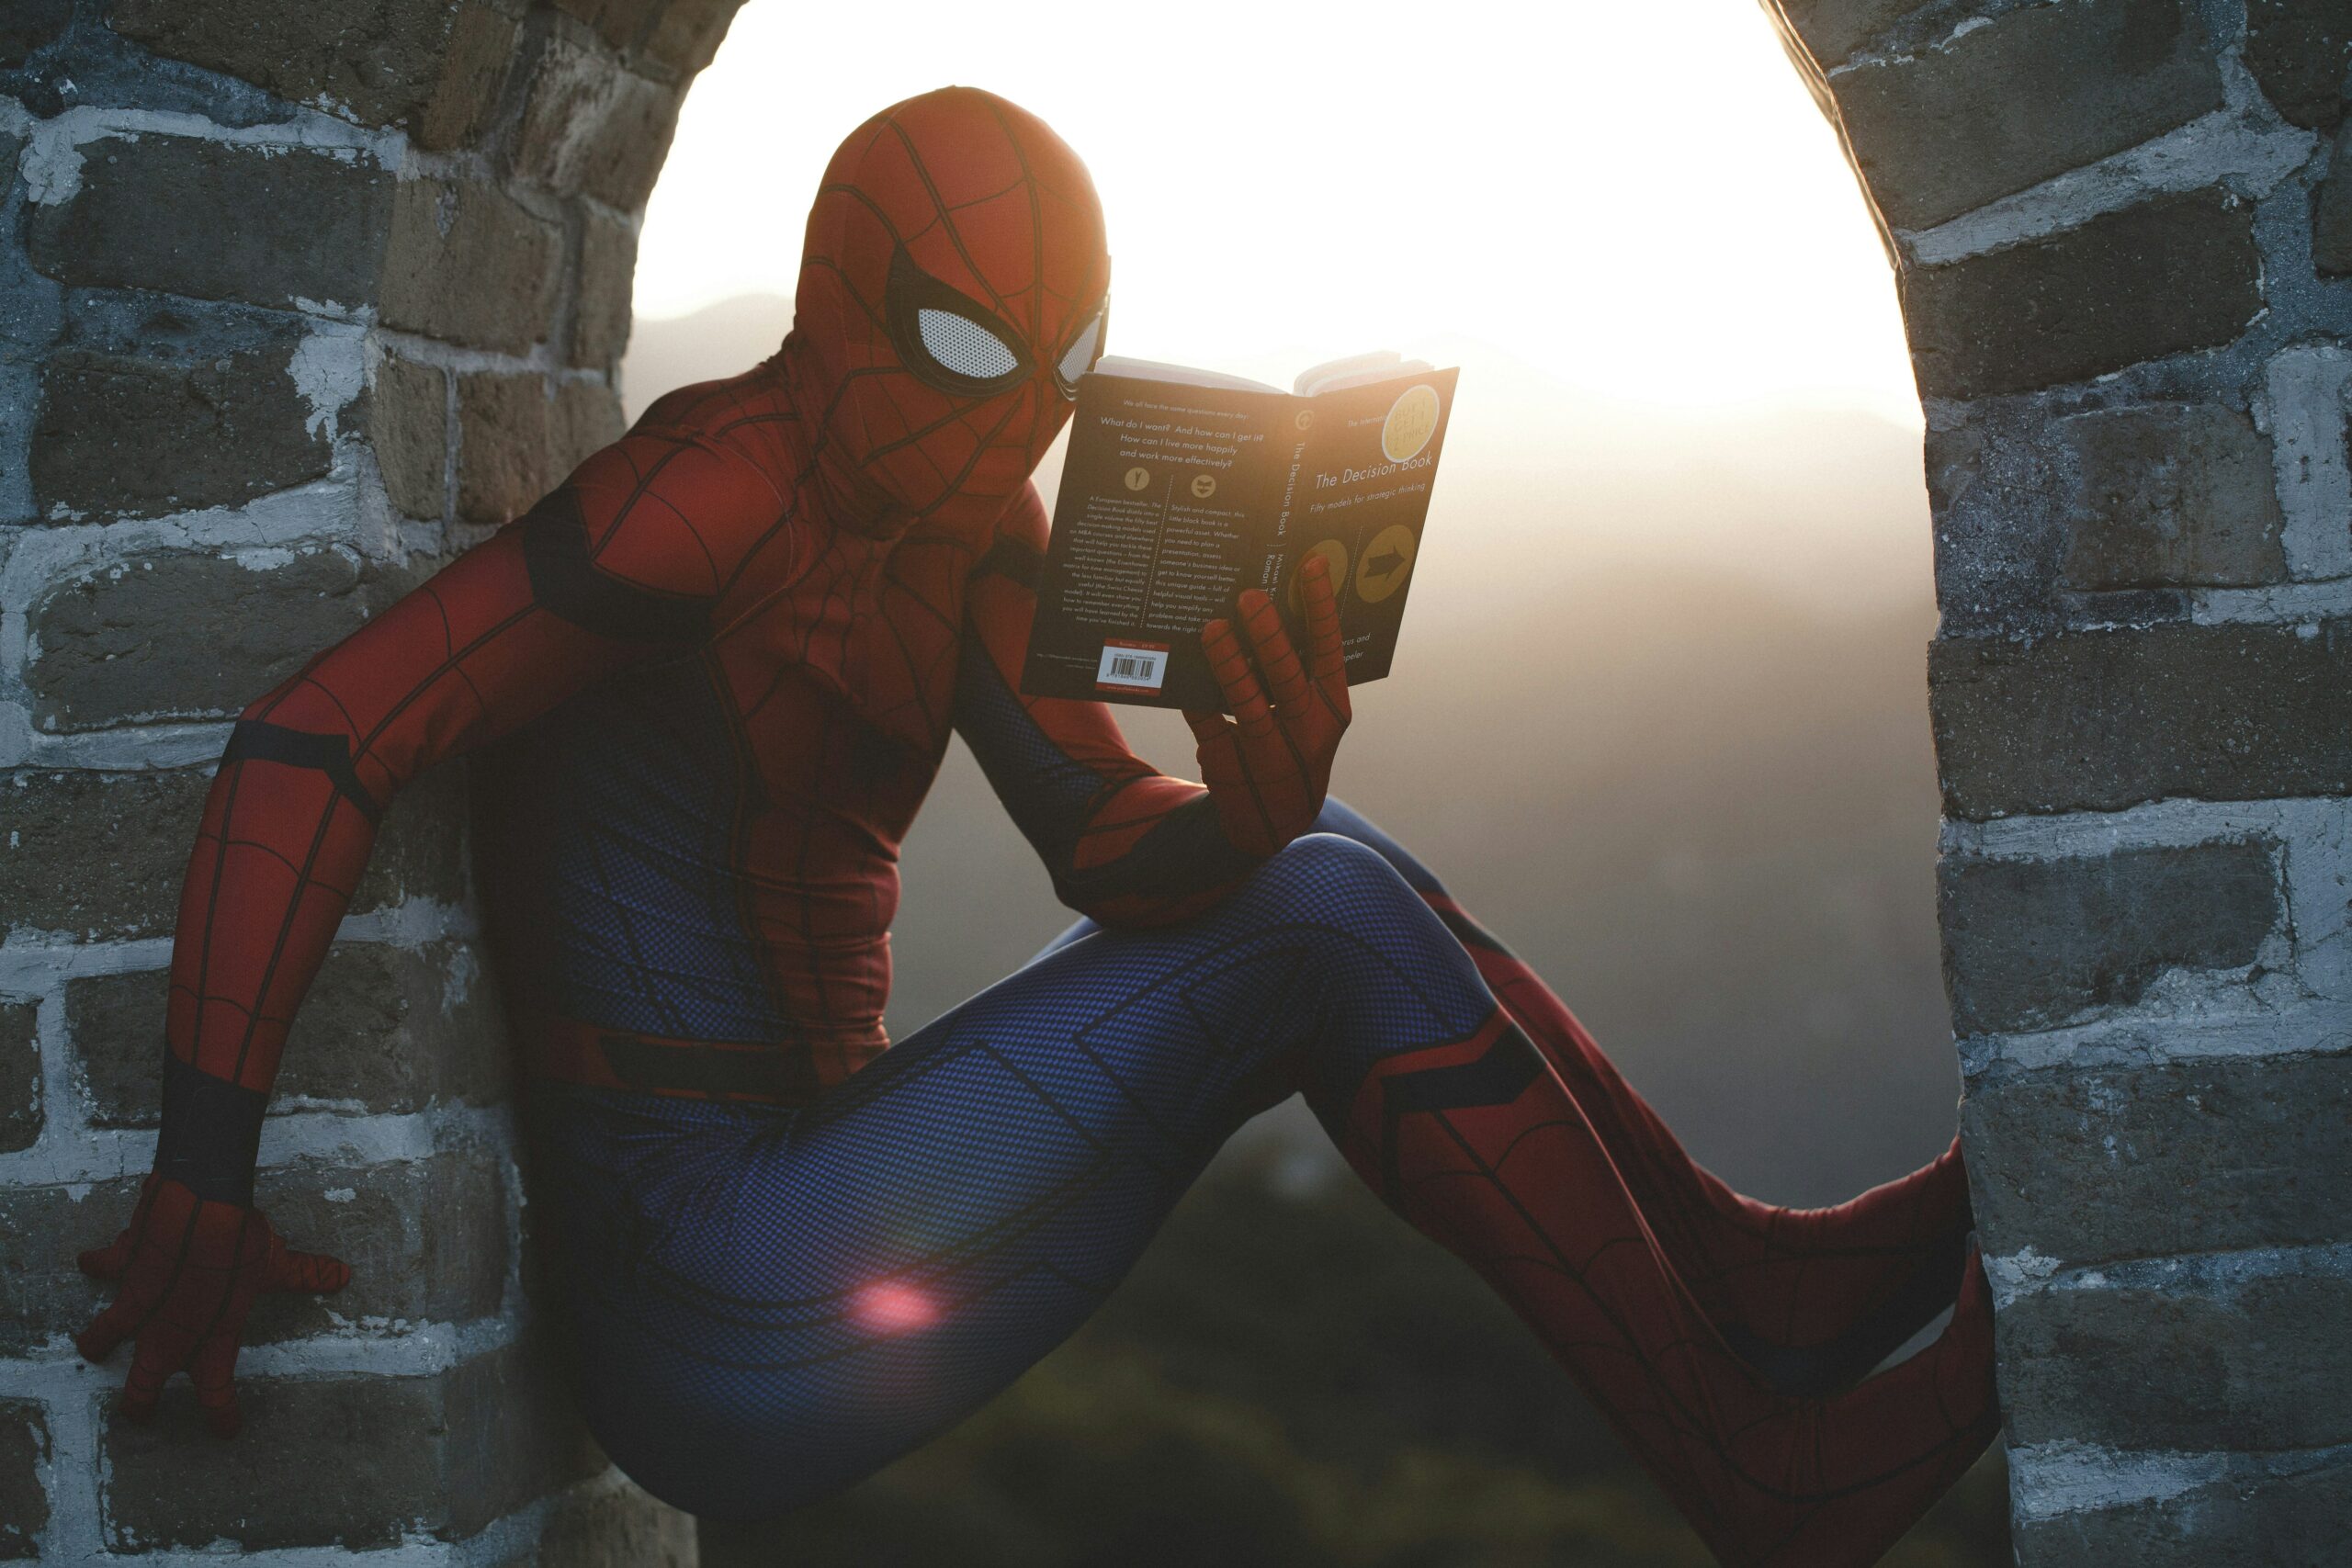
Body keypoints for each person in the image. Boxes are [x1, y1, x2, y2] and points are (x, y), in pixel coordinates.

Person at [72, 86, 1996, 1567]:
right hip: (702, 1284)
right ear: (842, 305)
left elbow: (1106, 841)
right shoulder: (709, 494)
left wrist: (1243, 794)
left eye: (1064, 370)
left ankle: (1757, 1283)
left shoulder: (968, 518)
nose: (1017, 423)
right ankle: (1757, 1473)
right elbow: (322, 734)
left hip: (832, 1204)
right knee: (1318, 907)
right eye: (970, 354)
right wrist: (203, 1166)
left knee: (1334, 859)